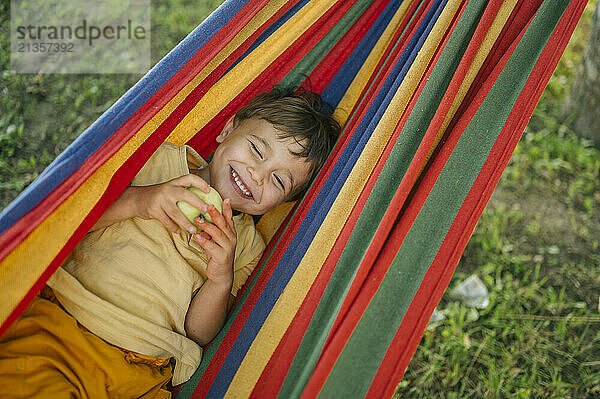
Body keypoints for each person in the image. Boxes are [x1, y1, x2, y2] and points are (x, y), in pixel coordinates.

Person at [0, 87, 340, 398]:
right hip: (63, 321)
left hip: (139, 366)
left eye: (278, 181)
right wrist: (140, 201)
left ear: (281, 205)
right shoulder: (156, 159)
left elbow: (199, 334)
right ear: (227, 129)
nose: (257, 174)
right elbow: (65, 221)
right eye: (256, 149)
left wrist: (219, 278)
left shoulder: (246, 247)